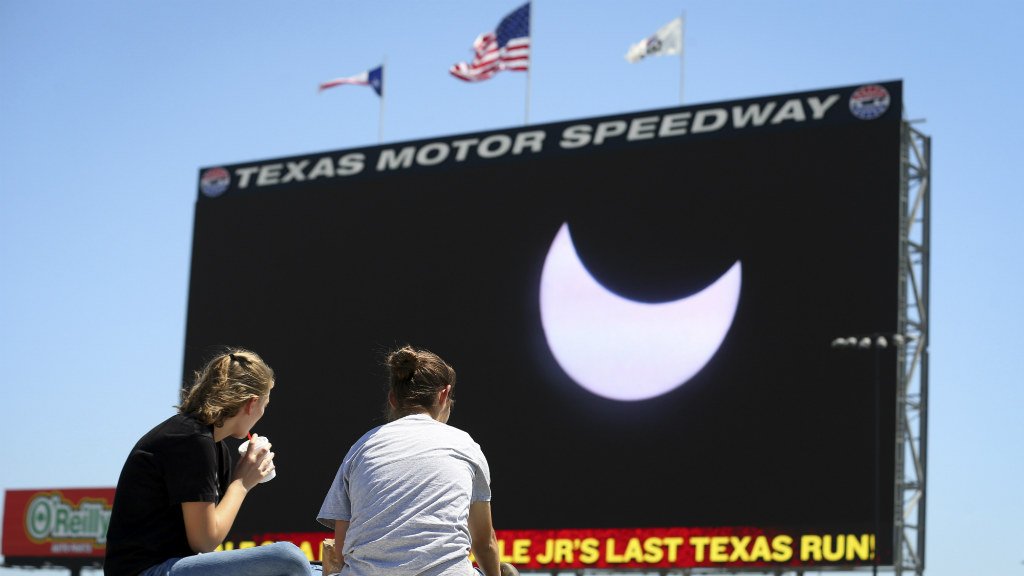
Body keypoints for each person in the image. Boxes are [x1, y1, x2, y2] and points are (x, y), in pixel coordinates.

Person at [104, 348, 311, 576]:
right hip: (144, 571)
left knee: (316, 569)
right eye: (265, 405)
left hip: (174, 566)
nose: (262, 412)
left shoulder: (215, 448)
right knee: (288, 558)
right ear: (252, 404)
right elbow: (204, 541)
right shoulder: (191, 439)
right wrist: (242, 483)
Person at [317, 345, 513, 576]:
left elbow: (341, 551)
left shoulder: (361, 447)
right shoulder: (465, 445)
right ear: (444, 395)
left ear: (392, 399)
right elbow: (485, 543)